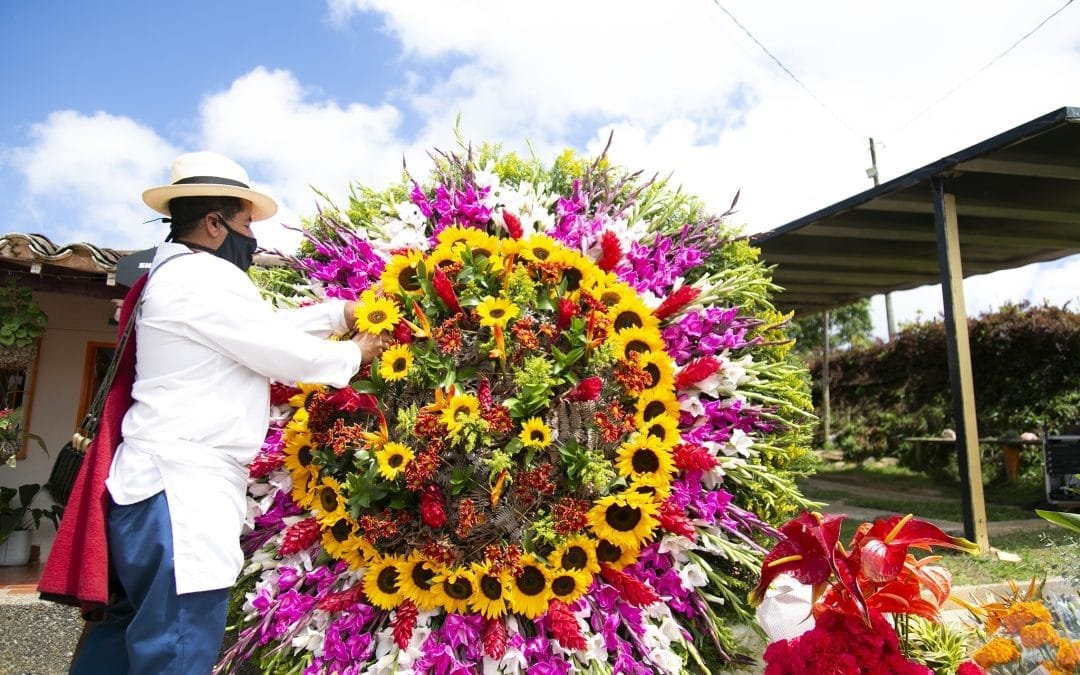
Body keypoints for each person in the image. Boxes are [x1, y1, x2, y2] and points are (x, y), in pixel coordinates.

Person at [62, 152, 384, 674]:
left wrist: (337, 314)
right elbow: (275, 349)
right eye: (246, 225)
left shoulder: (178, 278)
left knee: (123, 642)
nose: (252, 241)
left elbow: (257, 329)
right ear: (214, 224)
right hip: (181, 495)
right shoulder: (204, 277)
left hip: (153, 492)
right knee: (177, 648)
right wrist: (355, 352)